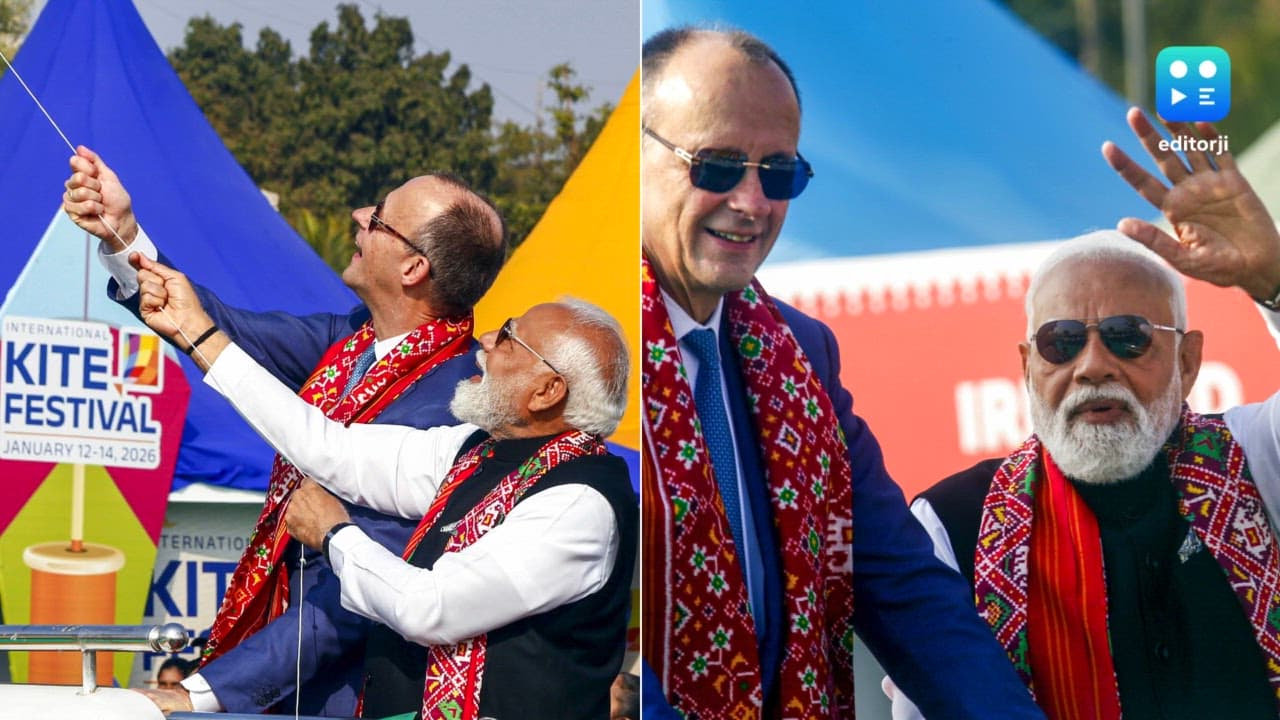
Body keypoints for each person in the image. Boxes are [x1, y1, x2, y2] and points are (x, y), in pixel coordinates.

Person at [639, 26, 1043, 719]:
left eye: (779, 173)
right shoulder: (576, 346)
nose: (752, 202)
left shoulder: (801, 354)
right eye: (716, 166)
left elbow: (905, 589)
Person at [61, 147, 507, 715]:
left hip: (346, 693)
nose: (358, 214)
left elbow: (354, 596)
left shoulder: (457, 405)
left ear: (412, 268)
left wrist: (200, 693)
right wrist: (124, 237)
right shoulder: (349, 342)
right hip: (280, 675)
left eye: (379, 218)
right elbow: (213, 325)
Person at [132, 259, 635, 720]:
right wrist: (200, 335)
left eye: (508, 338)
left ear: (548, 391)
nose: (485, 339)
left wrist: (335, 536)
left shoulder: (579, 502)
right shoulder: (472, 449)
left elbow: (429, 608)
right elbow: (328, 448)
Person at [902, 108, 1280, 719]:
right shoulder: (950, 526)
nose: (1093, 365)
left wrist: (1274, 281)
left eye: (1128, 336)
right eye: (1062, 341)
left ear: (1187, 361)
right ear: (1028, 367)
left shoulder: (1260, 461)